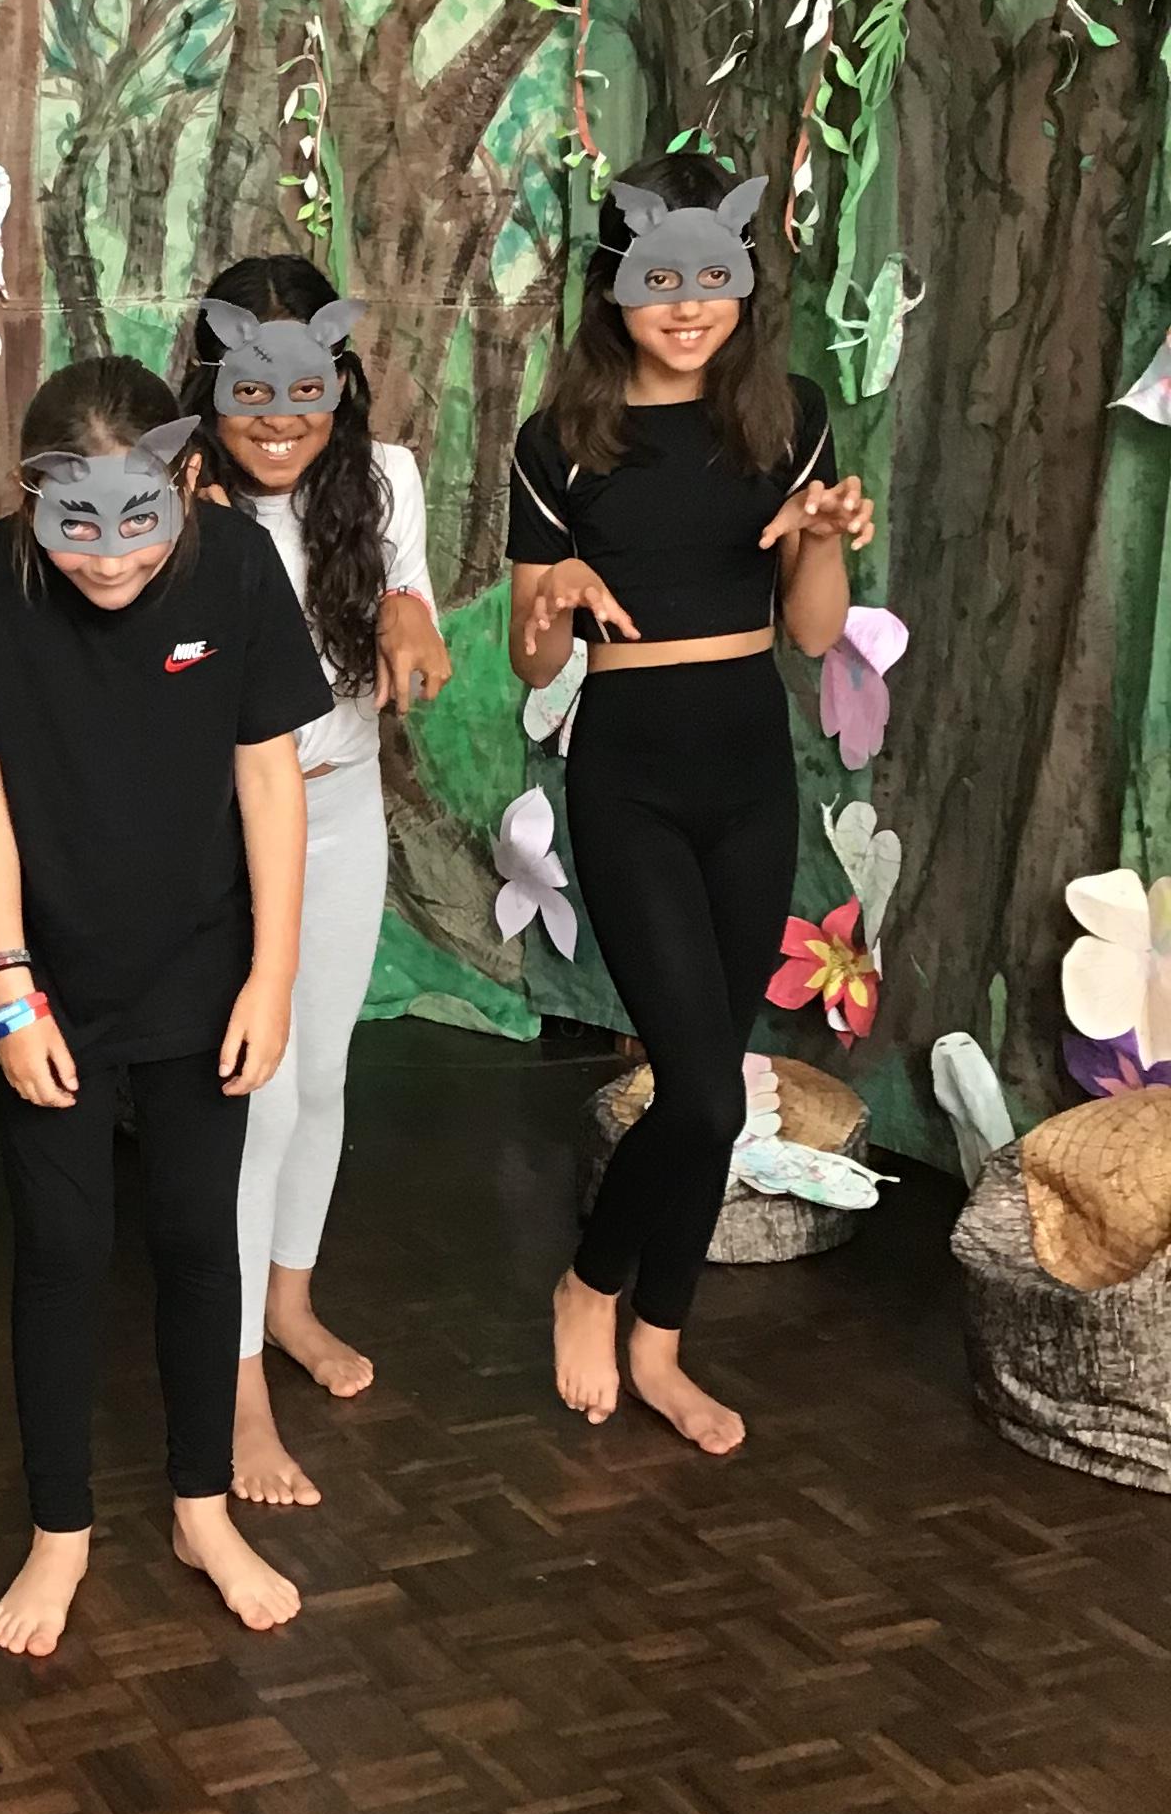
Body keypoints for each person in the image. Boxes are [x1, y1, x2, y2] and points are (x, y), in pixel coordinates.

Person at [0, 354, 330, 1660]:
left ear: (188, 478)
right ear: (27, 493)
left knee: (199, 1240)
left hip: (205, 970)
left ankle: (202, 1512)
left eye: (137, 523)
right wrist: (7, 992)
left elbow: (269, 778)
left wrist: (272, 975)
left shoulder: (237, 568)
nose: (108, 560)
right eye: (75, 527)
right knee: (62, 1250)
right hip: (47, 982)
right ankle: (61, 1529)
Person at [507, 152, 874, 1454]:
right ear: (615, 284)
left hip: (750, 774)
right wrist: (552, 604)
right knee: (706, 1095)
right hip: (630, 778)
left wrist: (817, 537)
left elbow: (813, 631)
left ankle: (659, 1344)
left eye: (713, 278)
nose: (688, 305)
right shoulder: (562, 439)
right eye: (660, 280)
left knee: (711, 1088)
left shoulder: (788, 418)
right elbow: (531, 661)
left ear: (745, 280)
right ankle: (590, 1285)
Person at [183, 256, 452, 1508]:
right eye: (254, 387)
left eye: (308, 386)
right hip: (217, 825)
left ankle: (287, 1300)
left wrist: (404, 601)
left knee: (325, 1078)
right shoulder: (175, 492)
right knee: (263, 1097)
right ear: (211, 382)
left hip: (340, 808)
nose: (281, 416)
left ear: (339, 381)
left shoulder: (382, 479)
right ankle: (232, 1373)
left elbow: (410, 614)